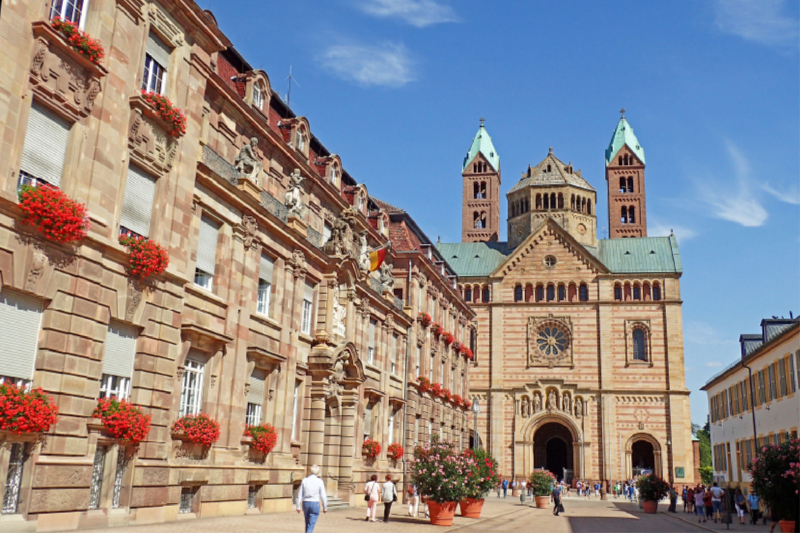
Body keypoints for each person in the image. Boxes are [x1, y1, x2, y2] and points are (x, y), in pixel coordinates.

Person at [295, 464, 328, 533]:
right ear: (318, 472)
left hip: (306, 502)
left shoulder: (305, 480)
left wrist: (298, 506)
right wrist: (325, 507)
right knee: (311, 524)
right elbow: (323, 495)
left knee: (307, 523)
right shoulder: (320, 481)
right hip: (315, 503)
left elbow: (300, 493)